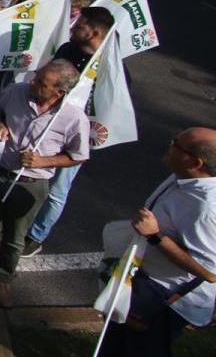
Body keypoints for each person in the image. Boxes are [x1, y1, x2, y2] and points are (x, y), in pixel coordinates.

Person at [0, 59, 89, 310]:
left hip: (32, 183)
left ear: (59, 92)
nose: (33, 83)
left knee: (15, 238)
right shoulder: (17, 91)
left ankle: (3, 280)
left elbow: (78, 156)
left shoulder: (73, 118)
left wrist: (43, 161)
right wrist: (0, 123)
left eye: (41, 83)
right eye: (36, 77)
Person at [96, 127, 216, 357]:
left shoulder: (206, 208)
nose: (169, 144)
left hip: (163, 303)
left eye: (176, 144)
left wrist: (155, 236)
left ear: (195, 162)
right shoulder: (183, 177)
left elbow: (210, 272)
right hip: (142, 283)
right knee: (112, 345)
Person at [21, 6, 116, 256]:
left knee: (57, 189)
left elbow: (113, 101)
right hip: (47, 123)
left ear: (94, 32)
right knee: (27, 168)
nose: (74, 28)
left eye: (80, 25)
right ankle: (13, 218)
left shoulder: (109, 63)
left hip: (76, 131)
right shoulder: (67, 49)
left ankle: (35, 235)